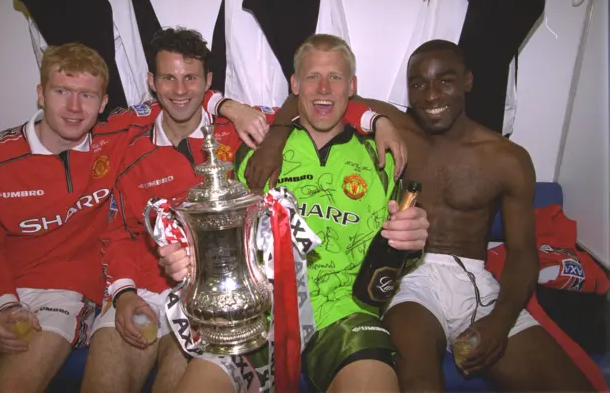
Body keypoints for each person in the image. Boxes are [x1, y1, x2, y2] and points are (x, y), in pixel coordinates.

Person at [247, 39, 594, 392]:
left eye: (445, 81)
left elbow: (522, 251)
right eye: (418, 84)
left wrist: (501, 322)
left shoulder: (508, 158)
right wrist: (276, 141)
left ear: (467, 81)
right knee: (417, 380)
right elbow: (313, 97)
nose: (431, 96)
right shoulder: (397, 129)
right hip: (409, 277)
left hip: (475, 281)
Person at [79, 27, 406, 393]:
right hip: (247, 312)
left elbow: (322, 100)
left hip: (341, 315)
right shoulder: (130, 135)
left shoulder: (250, 132)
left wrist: (376, 119)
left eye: (191, 78)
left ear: (209, 83)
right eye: (168, 78)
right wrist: (134, 286)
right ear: (151, 83)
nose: (181, 89)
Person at [157, 33, 430, 393]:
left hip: (346, 316)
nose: (323, 89)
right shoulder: (256, 152)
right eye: (312, 77)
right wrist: (188, 257)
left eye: (335, 78)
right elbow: (220, 236)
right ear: (294, 84)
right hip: (256, 317)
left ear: (353, 87)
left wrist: (412, 242)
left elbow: (399, 253)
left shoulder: (383, 156)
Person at [0, 43, 139, 393]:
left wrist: (228, 106)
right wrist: (2, 304)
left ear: (103, 103)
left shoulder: (114, 141)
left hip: (63, 295)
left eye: (87, 95)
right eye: (62, 91)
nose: (75, 108)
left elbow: (176, 96)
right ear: (41, 94)